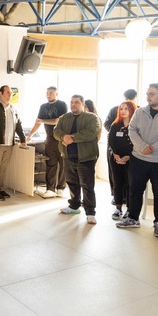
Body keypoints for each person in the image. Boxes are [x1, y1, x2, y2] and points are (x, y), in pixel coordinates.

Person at [116, 83, 158, 238]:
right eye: (147, 94)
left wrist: (153, 147)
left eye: (152, 94)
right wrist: (142, 147)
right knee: (135, 190)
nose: (148, 97)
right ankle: (133, 218)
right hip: (139, 159)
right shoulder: (140, 112)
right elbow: (132, 130)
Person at [53, 95, 102, 224]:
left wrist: (72, 138)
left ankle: (90, 212)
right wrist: (64, 136)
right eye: (71, 102)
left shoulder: (92, 117)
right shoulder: (64, 117)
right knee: (72, 183)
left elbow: (91, 132)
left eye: (76, 102)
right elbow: (56, 131)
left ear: (83, 104)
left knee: (87, 185)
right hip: (68, 156)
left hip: (86, 158)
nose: (73, 104)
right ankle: (74, 206)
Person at [0, 85, 26, 200]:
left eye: (11, 93)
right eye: (7, 92)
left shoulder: (13, 109)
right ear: (0, 93)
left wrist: (23, 139)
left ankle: (1, 188)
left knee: (3, 168)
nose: (10, 95)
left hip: (9, 144)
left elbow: (18, 125)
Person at [27, 86, 68, 198]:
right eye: (47, 93)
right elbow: (37, 122)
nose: (48, 95)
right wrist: (29, 136)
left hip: (61, 139)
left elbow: (57, 121)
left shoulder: (62, 105)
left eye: (51, 93)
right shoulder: (43, 107)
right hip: (49, 138)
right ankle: (50, 189)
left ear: (56, 94)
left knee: (63, 164)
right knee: (50, 164)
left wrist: (43, 120)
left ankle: (60, 188)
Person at [108, 101, 137, 220]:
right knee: (117, 183)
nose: (123, 111)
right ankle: (118, 208)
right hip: (116, 158)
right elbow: (111, 141)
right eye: (121, 109)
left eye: (126, 108)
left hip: (131, 159)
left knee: (130, 184)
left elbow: (137, 143)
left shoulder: (136, 125)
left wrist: (129, 156)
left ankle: (129, 210)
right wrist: (116, 155)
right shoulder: (115, 125)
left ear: (132, 110)